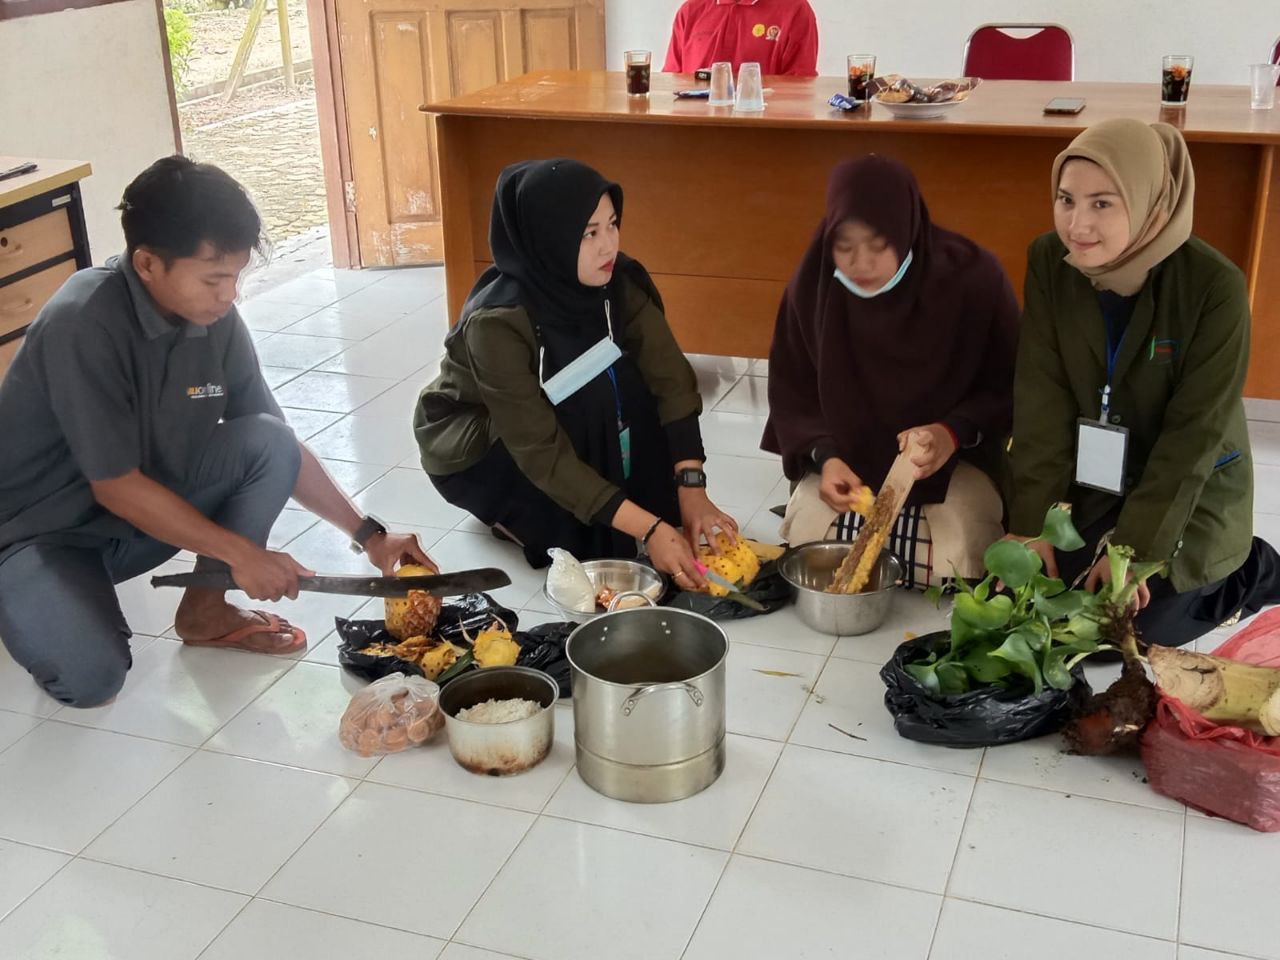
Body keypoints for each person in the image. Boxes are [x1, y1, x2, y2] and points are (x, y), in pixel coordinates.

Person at [0, 157, 434, 708]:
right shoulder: (82, 322)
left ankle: (205, 610)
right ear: (148, 263)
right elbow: (115, 485)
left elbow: (278, 442)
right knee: (91, 680)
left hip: (131, 523)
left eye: (236, 275)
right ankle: (29, 596)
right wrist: (241, 553)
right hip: (41, 532)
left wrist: (370, 535)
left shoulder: (213, 319)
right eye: (214, 278)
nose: (229, 294)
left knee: (267, 441)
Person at [1007, 117, 1280, 647]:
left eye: (1103, 203)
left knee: (1128, 625)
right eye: (1066, 199)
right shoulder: (1050, 262)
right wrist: (1032, 524)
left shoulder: (1213, 286)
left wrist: (1131, 552)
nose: (1077, 225)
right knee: (1031, 596)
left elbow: (1193, 435)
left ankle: (1253, 569)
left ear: (1152, 202)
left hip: (1189, 484)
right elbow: (1041, 395)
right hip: (1100, 474)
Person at [414, 158, 737, 588]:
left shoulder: (618, 282)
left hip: (559, 409)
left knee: (626, 378)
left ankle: (620, 506)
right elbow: (538, 449)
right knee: (585, 536)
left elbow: (671, 379)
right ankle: (518, 519)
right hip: (479, 444)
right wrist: (650, 528)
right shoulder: (498, 322)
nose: (609, 246)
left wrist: (692, 487)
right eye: (589, 233)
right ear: (550, 238)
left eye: (612, 224)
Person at [762, 155, 1020, 588]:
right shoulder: (813, 287)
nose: (860, 263)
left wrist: (951, 431)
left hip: (952, 462)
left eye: (878, 244)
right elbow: (793, 392)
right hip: (848, 461)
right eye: (844, 245)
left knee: (950, 566)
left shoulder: (973, 279)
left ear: (906, 229)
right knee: (811, 549)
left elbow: (1010, 384)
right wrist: (826, 458)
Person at [662, 0, 818, 78]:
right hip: (692, 132)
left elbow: (800, 91)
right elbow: (671, 82)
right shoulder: (690, 10)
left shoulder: (795, 10)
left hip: (765, 133)